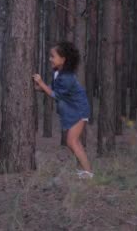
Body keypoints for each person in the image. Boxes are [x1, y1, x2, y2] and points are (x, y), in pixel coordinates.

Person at [32, 41, 93, 179]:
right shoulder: (58, 72)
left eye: (53, 56)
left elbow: (56, 95)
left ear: (63, 59)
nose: (50, 59)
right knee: (73, 142)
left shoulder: (67, 77)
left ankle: (88, 172)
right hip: (73, 109)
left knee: (72, 141)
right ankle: (84, 170)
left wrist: (41, 83)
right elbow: (55, 90)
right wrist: (41, 88)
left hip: (79, 110)